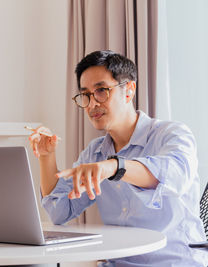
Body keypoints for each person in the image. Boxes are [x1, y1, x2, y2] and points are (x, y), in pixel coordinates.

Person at [28, 50, 208, 266]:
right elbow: (59, 213)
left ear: (129, 90)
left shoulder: (171, 134)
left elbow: (176, 176)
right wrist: (46, 157)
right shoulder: (96, 152)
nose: (92, 104)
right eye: (85, 94)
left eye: (101, 91)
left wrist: (116, 167)